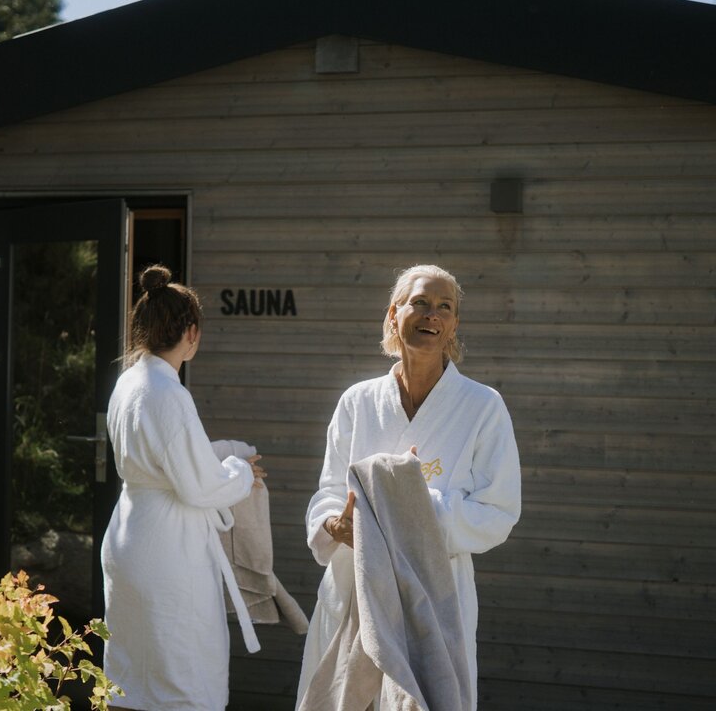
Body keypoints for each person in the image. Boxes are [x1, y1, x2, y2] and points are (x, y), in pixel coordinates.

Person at [296, 264, 521, 710]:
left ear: (454, 324)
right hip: (354, 585)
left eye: (444, 307)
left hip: (434, 596)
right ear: (394, 313)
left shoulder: (483, 407)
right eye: (419, 302)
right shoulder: (358, 401)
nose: (431, 314)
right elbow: (328, 492)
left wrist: (412, 507)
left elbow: (498, 511)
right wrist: (335, 525)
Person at [101, 264, 266, 711]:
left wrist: (220, 460)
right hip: (168, 550)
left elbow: (163, 459)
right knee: (183, 672)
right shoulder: (169, 393)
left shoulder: (128, 383)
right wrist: (239, 470)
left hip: (130, 535)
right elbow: (199, 487)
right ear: (191, 333)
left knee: (131, 671)